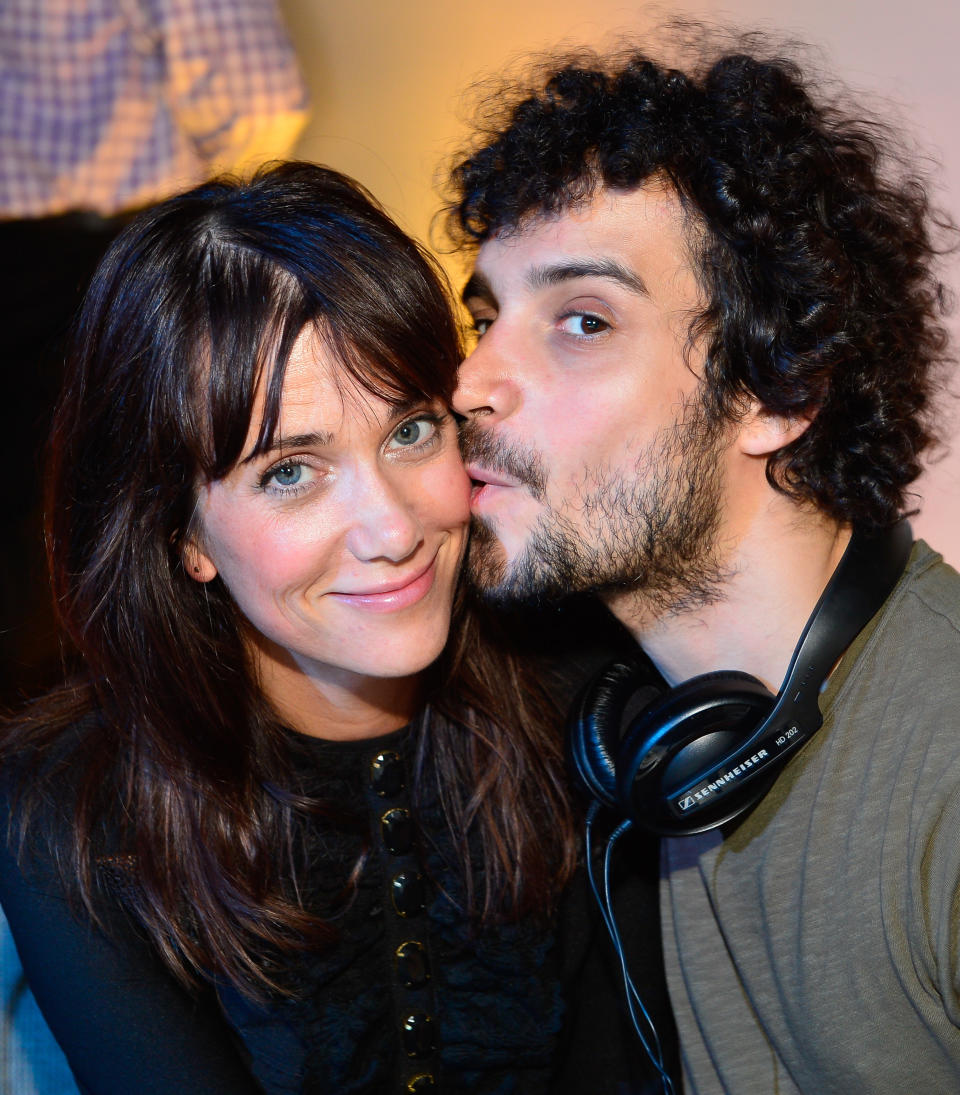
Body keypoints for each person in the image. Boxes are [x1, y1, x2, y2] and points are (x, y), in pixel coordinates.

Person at [0, 161, 676, 1094]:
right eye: (290, 472)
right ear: (181, 533)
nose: (393, 528)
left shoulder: (592, 701)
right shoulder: (70, 815)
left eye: (410, 432)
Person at [445, 26, 960, 1095]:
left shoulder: (942, 777)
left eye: (581, 320)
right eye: (487, 316)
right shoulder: (629, 731)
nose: (473, 383)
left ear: (778, 393)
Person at [0, 0, 310, 704]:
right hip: (105, 252)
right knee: (127, 528)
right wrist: (210, 231)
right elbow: (258, 95)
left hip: (80, 256)